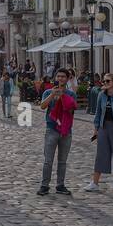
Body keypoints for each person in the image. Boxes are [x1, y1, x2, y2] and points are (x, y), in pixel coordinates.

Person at [38, 68, 77, 196]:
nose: (60, 79)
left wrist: (63, 98)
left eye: (63, 77)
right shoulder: (48, 91)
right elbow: (43, 106)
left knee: (62, 161)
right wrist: (52, 96)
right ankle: (44, 185)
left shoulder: (71, 95)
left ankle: (60, 185)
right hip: (51, 129)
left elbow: (71, 112)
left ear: (67, 79)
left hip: (66, 131)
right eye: (58, 76)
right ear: (55, 78)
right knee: (48, 160)